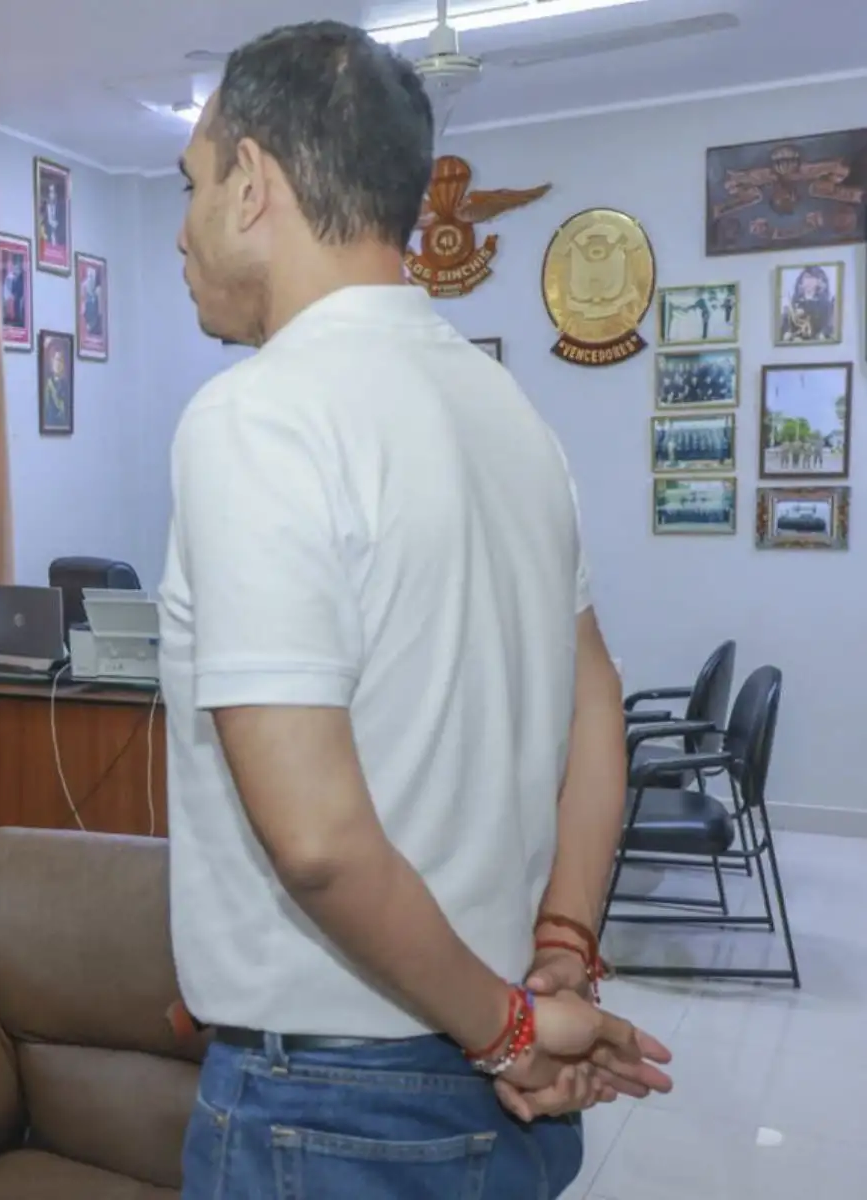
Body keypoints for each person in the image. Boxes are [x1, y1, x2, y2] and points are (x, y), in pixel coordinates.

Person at [162, 23, 673, 1199]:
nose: (180, 227)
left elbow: (320, 840)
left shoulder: (257, 417)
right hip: (491, 1057)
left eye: (190, 185)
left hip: (338, 1103)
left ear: (254, 185)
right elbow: (599, 707)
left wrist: (503, 1026)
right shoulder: (507, 412)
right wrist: (559, 958)